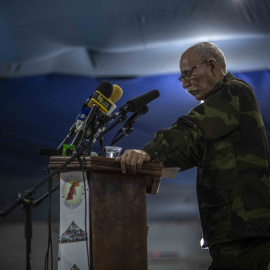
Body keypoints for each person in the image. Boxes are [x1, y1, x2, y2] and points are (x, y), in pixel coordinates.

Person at [116, 42, 270, 270]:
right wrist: (148, 162)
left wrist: (147, 151)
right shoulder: (222, 118)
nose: (185, 84)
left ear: (212, 66)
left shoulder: (235, 91)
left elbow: (193, 125)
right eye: (181, 78)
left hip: (243, 227)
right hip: (234, 228)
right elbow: (189, 153)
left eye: (188, 73)